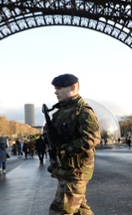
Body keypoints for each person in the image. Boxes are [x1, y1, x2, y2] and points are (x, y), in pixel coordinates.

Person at [43, 73, 101, 215]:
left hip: (76, 171)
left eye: (60, 88)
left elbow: (92, 138)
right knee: (80, 210)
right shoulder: (60, 112)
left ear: (73, 87)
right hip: (66, 169)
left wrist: (66, 149)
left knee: (60, 211)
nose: (56, 91)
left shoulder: (83, 111)